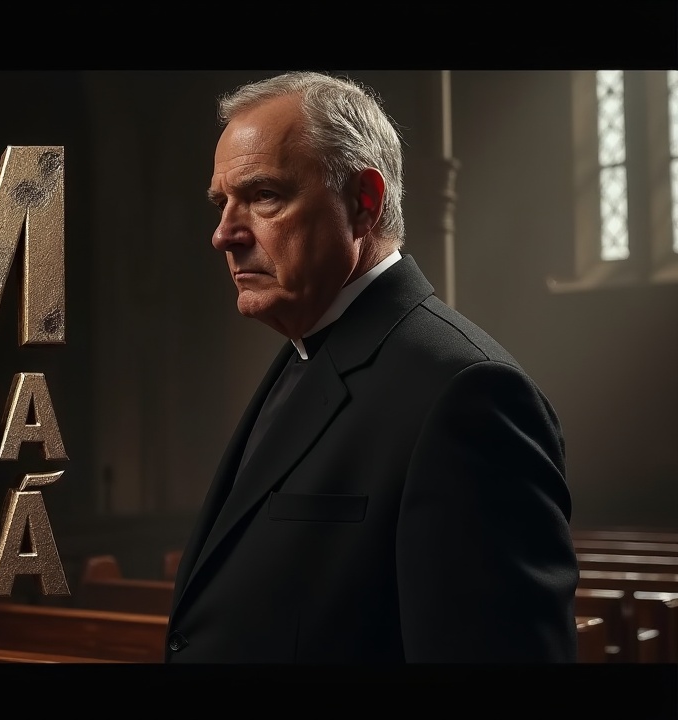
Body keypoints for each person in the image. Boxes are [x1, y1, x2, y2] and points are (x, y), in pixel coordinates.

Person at [164, 72, 579, 663]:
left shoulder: (469, 396)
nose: (224, 235)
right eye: (221, 203)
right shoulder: (307, 349)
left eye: (263, 197)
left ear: (364, 204)